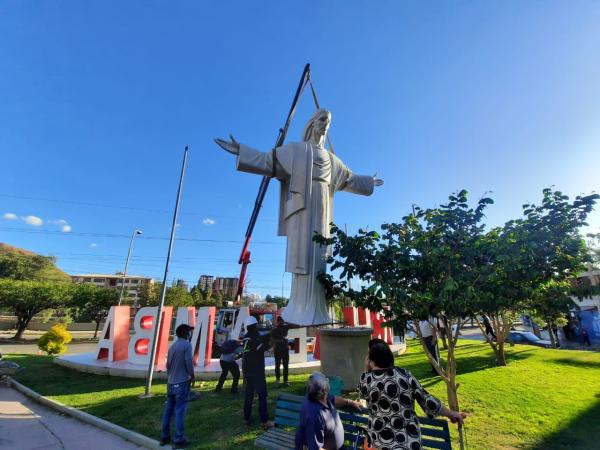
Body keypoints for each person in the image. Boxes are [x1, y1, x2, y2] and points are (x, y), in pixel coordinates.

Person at [215, 108, 383, 325]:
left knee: (319, 256)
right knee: (302, 256)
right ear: (312, 123)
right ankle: (299, 309)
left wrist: (369, 181)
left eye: (329, 122)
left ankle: (318, 310)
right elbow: (268, 161)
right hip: (303, 212)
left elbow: (350, 179)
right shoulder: (295, 150)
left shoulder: (332, 160)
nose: (325, 125)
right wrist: (241, 151)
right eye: (322, 120)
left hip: (322, 210)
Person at [358, 340, 466, 450]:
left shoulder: (366, 379)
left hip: (379, 443)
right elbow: (427, 401)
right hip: (408, 442)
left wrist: (367, 370)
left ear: (372, 360)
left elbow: (362, 394)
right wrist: (450, 413)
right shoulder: (404, 375)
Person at [295, 371, 362, 450]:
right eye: (326, 380)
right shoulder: (314, 415)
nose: (327, 381)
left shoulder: (321, 397)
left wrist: (350, 402)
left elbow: (334, 399)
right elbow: (316, 448)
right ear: (324, 389)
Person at [160, 324, 195, 448]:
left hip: (171, 383)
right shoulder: (186, 345)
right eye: (189, 331)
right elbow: (188, 362)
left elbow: (168, 365)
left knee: (168, 410)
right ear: (186, 333)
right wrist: (192, 375)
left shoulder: (173, 346)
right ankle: (179, 438)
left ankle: (164, 436)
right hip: (182, 383)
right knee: (180, 411)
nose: (190, 334)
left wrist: (172, 377)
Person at [242, 315, 274, 428]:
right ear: (255, 326)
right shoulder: (255, 337)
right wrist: (269, 340)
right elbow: (261, 348)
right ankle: (264, 421)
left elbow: (247, 354)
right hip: (257, 371)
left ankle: (246, 419)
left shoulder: (245, 338)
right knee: (262, 395)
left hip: (248, 371)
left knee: (249, 396)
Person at [270, 316, 292, 386]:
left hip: (282, 349)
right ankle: (280, 380)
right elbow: (272, 340)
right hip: (279, 350)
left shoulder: (284, 327)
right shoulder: (275, 330)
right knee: (279, 365)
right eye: (281, 321)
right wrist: (280, 341)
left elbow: (272, 340)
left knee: (282, 365)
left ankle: (283, 381)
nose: (281, 322)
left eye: (282, 321)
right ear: (278, 322)